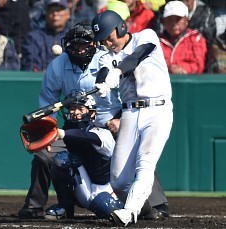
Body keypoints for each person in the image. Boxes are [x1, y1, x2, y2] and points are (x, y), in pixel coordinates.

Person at [18, 21, 169, 220]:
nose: (80, 49)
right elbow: (48, 100)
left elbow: (127, 90)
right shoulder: (57, 66)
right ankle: (41, 206)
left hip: (110, 122)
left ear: (94, 44)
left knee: (139, 152)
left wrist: (120, 118)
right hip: (74, 125)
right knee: (45, 157)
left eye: (85, 44)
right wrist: (49, 130)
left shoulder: (106, 57)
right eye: (75, 45)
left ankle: (156, 204)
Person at [92, 10, 173, 226]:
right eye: (103, 41)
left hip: (157, 110)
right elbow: (103, 69)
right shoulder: (106, 55)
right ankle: (145, 210)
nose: (108, 44)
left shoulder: (145, 36)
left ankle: (128, 212)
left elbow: (138, 55)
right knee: (118, 181)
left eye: (110, 37)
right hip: (130, 113)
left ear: (121, 28)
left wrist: (116, 73)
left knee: (145, 163)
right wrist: (102, 83)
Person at [44, 91, 125, 220]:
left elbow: (86, 137)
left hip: (106, 189)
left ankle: (140, 209)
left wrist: (60, 133)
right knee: (61, 160)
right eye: (72, 108)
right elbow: (70, 138)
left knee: (107, 207)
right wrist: (46, 142)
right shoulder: (69, 133)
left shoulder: (101, 133)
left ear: (92, 113)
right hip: (85, 187)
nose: (75, 112)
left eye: (80, 108)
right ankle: (65, 207)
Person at [21, 0, 70, 71]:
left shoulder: (74, 37)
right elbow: (30, 63)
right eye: (51, 10)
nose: (55, 14)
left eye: (59, 10)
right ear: (46, 14)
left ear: (68, 14)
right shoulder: (33, 37)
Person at [159, 1, 207, 74]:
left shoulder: (196, 39)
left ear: (186, 21)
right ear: (164, 22)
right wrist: (170, 68)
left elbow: (198, 65)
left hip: (189, 82)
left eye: (178, 19)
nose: (174, 23)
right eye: (169, 19)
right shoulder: (157, 40)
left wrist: (180, 68)